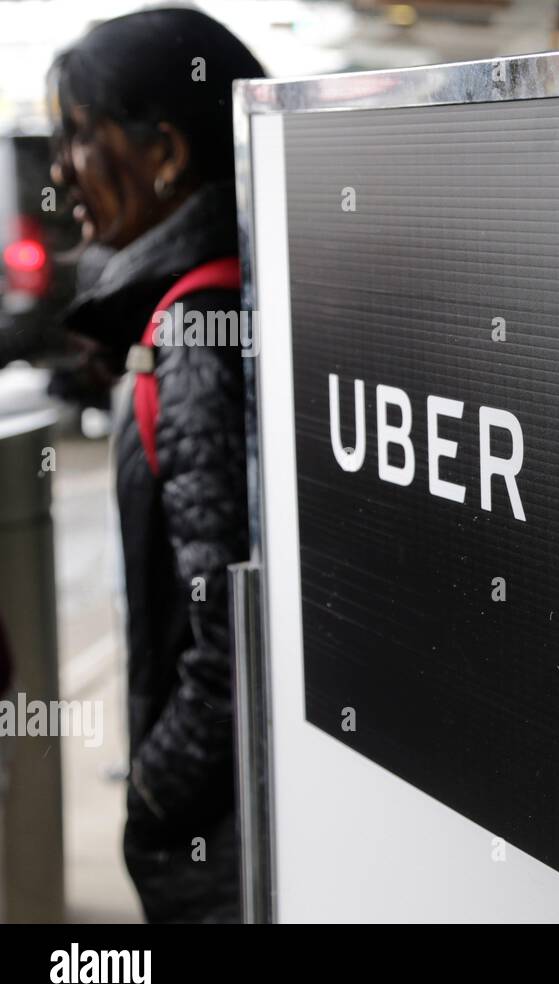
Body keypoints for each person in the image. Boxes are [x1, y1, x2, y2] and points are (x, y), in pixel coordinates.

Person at [49, 8, 265, 921]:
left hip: (216, 842)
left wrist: (153, 793)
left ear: (165, 154)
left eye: (79, 136)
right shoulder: (231, 295)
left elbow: (229, 639)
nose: (61, 170)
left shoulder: (192, 334)